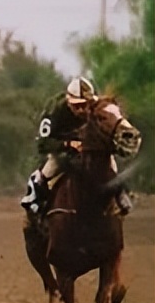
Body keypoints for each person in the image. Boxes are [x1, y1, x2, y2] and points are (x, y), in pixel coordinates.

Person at [20, 76, 132, 216]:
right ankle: (36, 201)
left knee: (111, 163)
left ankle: (120, 193)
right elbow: (42, 144)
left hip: (90, 148)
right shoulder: (55, 111)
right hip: (62, 149)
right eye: (78, 106)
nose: (82, 110)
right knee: (51, 167)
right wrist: (67, 144)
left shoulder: (98, 109)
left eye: (86, 105)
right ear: (69, 101)